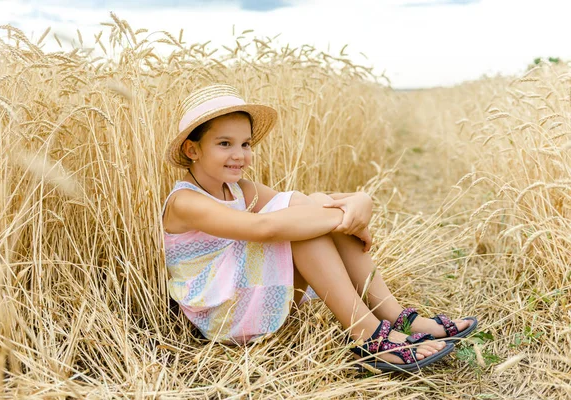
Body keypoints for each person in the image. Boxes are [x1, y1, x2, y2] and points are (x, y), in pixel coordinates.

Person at [161, 84, 478, 373]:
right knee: (301, 222)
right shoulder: (185, 202)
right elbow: (263, 228)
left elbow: (300, 203)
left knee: (302, 204)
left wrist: (360, 201)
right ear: (192, 150)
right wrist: (345, 218)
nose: (239, 155)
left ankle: (395, 316)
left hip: (247, 290)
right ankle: (367, 335)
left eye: (245, 144)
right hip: (223, 312)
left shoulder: (238, 188)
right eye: (224, 143)